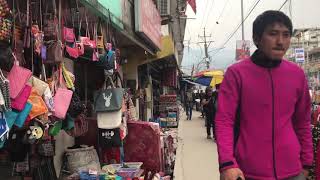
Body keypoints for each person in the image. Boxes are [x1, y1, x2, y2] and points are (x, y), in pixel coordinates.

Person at [216, 10, 313, 180]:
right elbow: (224, 120)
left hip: (293, 171)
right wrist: (227, 163)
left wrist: (306, 163)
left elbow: (302, 122)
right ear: (257, 38)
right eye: (273, 34)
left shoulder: (297, 75)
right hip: (246, 172)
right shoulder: (237, 73)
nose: (280, 41)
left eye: (286, 35)